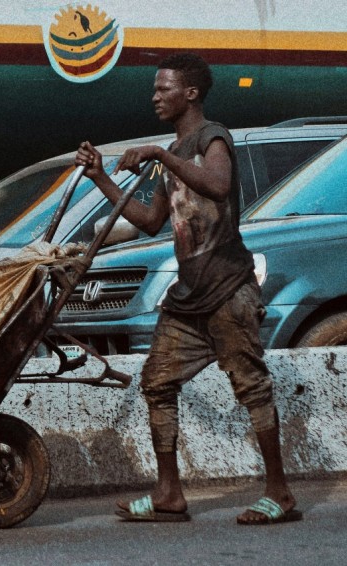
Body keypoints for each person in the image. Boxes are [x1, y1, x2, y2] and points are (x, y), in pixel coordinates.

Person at [75, 52, 301, 525]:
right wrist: (99, 177)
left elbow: (218, 186)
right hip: (189, 298)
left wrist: (160, 155)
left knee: (251, 388)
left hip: (228, 289)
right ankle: (169, 494)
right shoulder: (175, 152)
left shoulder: (212, 137)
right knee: (157, 382)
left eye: (164, 88)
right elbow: (149, 220)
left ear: (191, 93)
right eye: (155, 89)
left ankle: (279, 494)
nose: (155, 96)